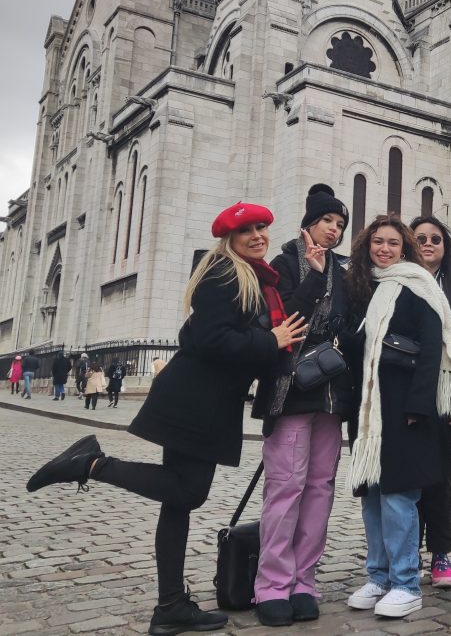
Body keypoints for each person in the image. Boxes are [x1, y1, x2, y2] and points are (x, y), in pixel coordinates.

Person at [26, 202, 306, 636]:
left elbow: (195, 334)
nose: (258, 236)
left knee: (178, 503)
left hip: (203, 400)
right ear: (228, 239)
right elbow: (215, 339)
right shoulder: (225, 274)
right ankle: (92, 465)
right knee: (188, 493)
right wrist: (270, 340)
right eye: (247, 230)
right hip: (197, 403)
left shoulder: (251, 277)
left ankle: (171, 605)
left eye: (262, 228)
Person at [250, 184, 358, 626]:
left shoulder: (347, 269)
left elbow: (352, 322)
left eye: (339, 224)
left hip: (332, 391)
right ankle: (271, 584)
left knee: (319, 487)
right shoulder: (281, 264)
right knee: (285, 487)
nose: (334, 230)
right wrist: (313, 278)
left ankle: (304, 582)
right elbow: (281, 321)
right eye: (328, 221)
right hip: (291, 389)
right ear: (310, 222)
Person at [344, 215, 451, 619]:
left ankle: (406, 583)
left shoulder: (418, 286)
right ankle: (378, 575)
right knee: (373, 495)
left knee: (399, 496)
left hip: (408, 409)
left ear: (405, 248)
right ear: (367, 246)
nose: (385, 249)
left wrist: (418, 405)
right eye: (378, 242)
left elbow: (433, 349)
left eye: (393, 243)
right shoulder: (363, 288)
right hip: (370, 411)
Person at [410, 215, 451, 589]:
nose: (429, 244)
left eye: (436, 238)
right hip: (404, 391)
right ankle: (407, 551)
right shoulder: (395, 280)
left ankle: (440, 553)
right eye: (421, 238)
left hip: (442, 392)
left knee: (438, 476)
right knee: (406, 477)